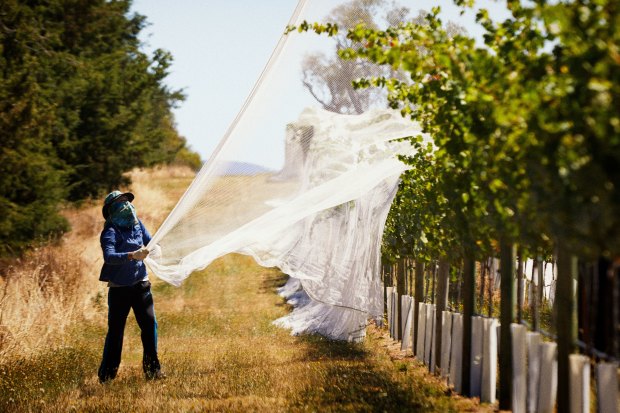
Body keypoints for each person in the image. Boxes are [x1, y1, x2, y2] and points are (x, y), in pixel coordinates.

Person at [97, 190, 164, 383]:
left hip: (141, 284)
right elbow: (109, 257)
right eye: (120, 202)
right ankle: (107, 376)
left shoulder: (137, 224)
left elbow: (149, 241)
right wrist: (131, 255)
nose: (126, 204)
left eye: (127, 201)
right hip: (119, 289)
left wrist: (154, 249)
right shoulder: (109, 231)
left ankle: (153, 370)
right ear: (112, 210)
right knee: (116, 331)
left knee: (150, 325)